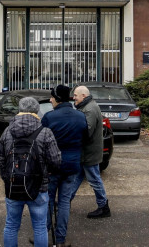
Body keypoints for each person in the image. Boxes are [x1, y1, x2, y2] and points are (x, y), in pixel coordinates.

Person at [0, 96, 61, 247]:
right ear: (37, 110)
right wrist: (46, 174)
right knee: (39, 227)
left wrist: (7, 177)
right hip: (39, 188)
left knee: (11, 225)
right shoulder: (45, 132)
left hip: (13, 186)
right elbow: (56, 161)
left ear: (19, 110)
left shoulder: (7, 131)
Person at [41, 84, 87, 246]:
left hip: (53, 166)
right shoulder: (80, 116)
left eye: (52, 97)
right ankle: (60, 239)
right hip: (72, 165)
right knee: (64, 202)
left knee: (48, 200)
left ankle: (43, 236)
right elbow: (85, 138)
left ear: (58, 99)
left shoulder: (49, 117)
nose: (50, 100)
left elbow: (41, 141)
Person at [72, 85, 110, 218]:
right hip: (86, 152)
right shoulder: (87, 107)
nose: (74, 98)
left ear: (84, 96)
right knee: (76, 178)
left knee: (94, 179)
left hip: (89, 153)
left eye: (76, 95)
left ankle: (103, 206)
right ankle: (64, 202)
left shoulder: (90, 109)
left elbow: (86, 131)